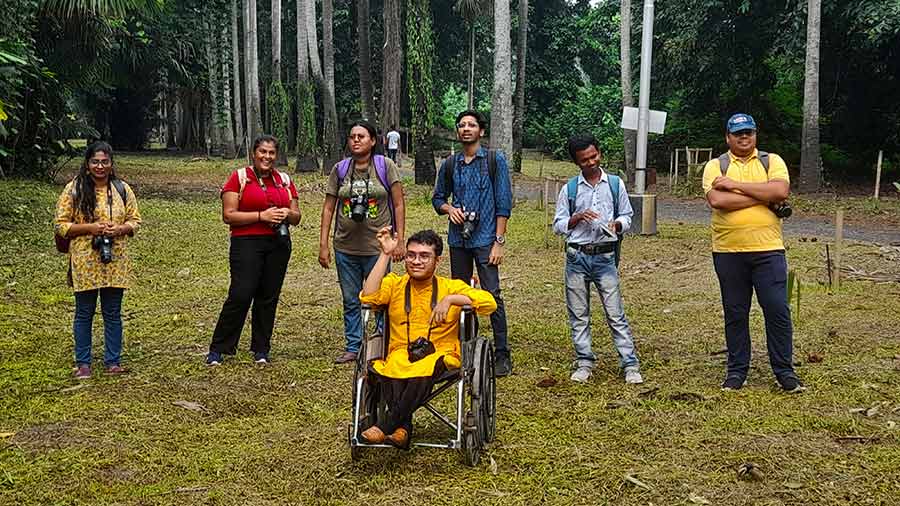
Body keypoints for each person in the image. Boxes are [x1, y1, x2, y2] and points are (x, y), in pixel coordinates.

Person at [359, 228, 496, 448]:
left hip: (439, 354)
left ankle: (386, 426)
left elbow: (490, 303)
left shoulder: (449, 287)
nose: (416, 261)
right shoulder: (395, 284)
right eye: (411, 255)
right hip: (400, 351)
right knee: (392, 365)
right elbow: (368, 296)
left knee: (424, 368)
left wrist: (452, 299)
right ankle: (403, 428)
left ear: (437, 260)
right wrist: (385, 254)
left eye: (424, 256)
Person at [702, 113, 805, 393]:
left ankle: (785, 372)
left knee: (777, 310)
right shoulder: (715, 165)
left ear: (755, 135)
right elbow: (717, 200)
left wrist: (735, 185)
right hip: (728, 251)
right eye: (738, 134)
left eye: (748, 132)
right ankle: (736, 371)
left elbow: (781, 190)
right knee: (735, 312)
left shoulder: (772, 161)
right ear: (728, 138)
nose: (744, 137)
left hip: (768, 250)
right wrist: (764, 195)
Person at [552, 134, 643, 384]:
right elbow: (558, 225)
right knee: (579, 313)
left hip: (605, 256)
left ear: (599, 153)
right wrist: (577, 217)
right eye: (584, 160)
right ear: (577, 162)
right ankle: (584, 361)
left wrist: (617, 225)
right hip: (577, 257)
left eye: (594, 156)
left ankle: (630, 363)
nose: (591, 162)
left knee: (615, 313)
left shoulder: (615, 184)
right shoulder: (570, 189)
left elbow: (627, 214)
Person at [432, 110, 513, 377]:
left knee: (492, 293)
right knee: (462, 293)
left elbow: (503, 203)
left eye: (472, 125)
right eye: (462, 125)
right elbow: (437, 198)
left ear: (481, 131)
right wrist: (448, 209)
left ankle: (502, 353)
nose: (466, 129)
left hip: (486, 238)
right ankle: (465, 348)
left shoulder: (494, 160)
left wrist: (498, 241)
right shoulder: (450, 164)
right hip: (458, 240)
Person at [207, 135, 300, 366]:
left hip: (278, 243)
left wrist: (286, 214)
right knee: (241, 293)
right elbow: (228, 215)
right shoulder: (240, 177)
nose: (267, 157)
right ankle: (219, 348)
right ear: (253, 153)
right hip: (246, 242)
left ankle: (261, 348)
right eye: (263, 152)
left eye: (271, 153)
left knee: (268, 297)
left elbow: (297, 215)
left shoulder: (284, 180)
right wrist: (262, 216)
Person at [320, 120, 406, 364]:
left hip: (376, 249)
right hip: (345, 246)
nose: (356, 140)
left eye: (361, 136)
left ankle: (381, 343)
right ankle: (353, 345)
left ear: (373, 141)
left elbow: (399, 203)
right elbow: (328, 208)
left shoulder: (385, 165)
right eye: (352, 137)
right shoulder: (340, 169)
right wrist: (324, 243)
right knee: (350, 298)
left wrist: (399, 240)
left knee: (379, 297)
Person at [55, 141, 142, 379]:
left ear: (111, 164)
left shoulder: (122, 189)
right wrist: (90, 228)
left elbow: (135, 220)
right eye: (95, 161)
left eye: (105, 162)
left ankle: (112, 361)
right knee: (84, 312)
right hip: (85, 260)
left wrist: (121, 229)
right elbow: (61, 225)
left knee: (113, 312)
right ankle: (83, 363)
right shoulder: (74, 189)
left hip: (116, 259)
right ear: (87, 163)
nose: (100, 166)